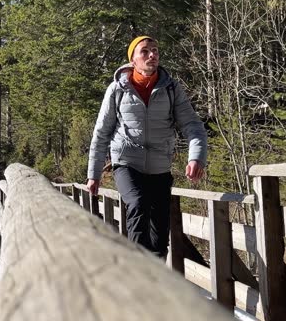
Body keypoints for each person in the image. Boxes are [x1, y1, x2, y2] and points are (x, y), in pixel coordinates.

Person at [87, 35, 207, 258]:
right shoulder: (117, 90)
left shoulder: (171, 88)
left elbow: (192, 125)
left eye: (155, 50)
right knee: (137, 202)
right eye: (145, 51)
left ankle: (156, 272)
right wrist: (93, 174)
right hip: (126, 162)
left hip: (160, 165)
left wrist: (196, 157)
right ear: (133, 60)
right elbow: (101, 134)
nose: (152, 55)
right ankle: (137, 268)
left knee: (160, 229)